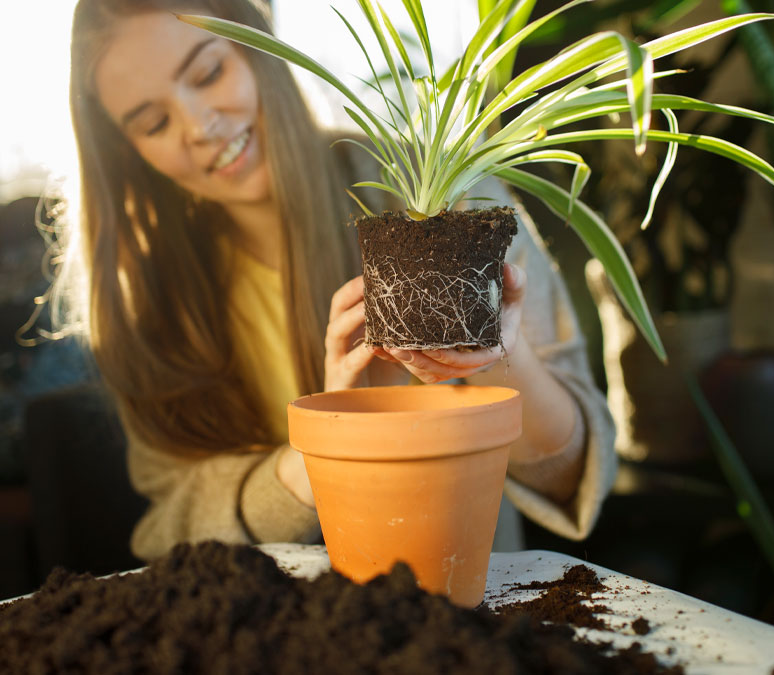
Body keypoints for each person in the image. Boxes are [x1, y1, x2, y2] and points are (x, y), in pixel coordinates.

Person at [56, 0, 617, 562]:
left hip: (461, 597)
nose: (201, 127)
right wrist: (328, 446)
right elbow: (171, 525)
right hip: (267, 612)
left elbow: (573, 474)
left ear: (258, 47)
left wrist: (487, 350)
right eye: (154, 124)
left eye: (208, 74)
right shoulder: (151, 300)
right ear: (127, 152)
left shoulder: (444, 199)